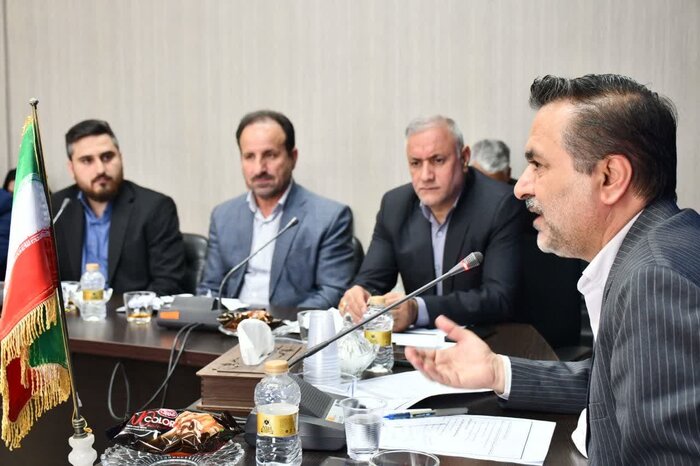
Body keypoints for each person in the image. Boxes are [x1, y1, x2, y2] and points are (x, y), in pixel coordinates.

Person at [406, 74, 700, 464]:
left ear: (610, 178)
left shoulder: (655, 279)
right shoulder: (652, 249)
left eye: (538, 165)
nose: (520, 187)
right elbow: (612, 385)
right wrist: (497, 371)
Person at [340, 116, 527, 332]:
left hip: (487, 338)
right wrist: (360, 293)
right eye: (416, 163)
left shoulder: (499, 205)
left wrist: (418, 310)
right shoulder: (395, 206)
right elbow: (372, 280)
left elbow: (499, 298)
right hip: (419, 344)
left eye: (438, 160)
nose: (426, 176)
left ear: (464, 158)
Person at [198, 110, 355, 308]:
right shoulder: (223, 216)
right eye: (249, 156)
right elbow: (211, 288)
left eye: (270, 155)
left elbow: (332, 293)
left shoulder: (329, 217)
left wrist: (273, 321)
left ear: (293, 157)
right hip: (229, 324)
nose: (259, 169)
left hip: (289, 325)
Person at [52, 119, 185, 296]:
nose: (100, 169)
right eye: (87, 160)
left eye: (107, 157)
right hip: (72, 312)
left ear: (120, 158)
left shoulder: (155, 207)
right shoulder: (55, 208)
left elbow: (167, 283)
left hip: (131, 313)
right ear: (71, 168)